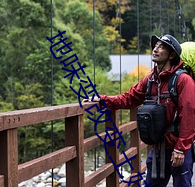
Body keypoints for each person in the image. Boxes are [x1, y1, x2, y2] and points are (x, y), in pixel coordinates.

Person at [83, 34, 195, 187]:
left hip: (178, 147)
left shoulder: (183, 80)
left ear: (172, 55)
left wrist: (181, 149)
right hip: (158, 147)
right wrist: (102, 100)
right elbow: (129, 98)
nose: (155, 49)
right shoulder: (150, 80)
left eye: (161, 47)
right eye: (155, 46)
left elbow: (189, 115)